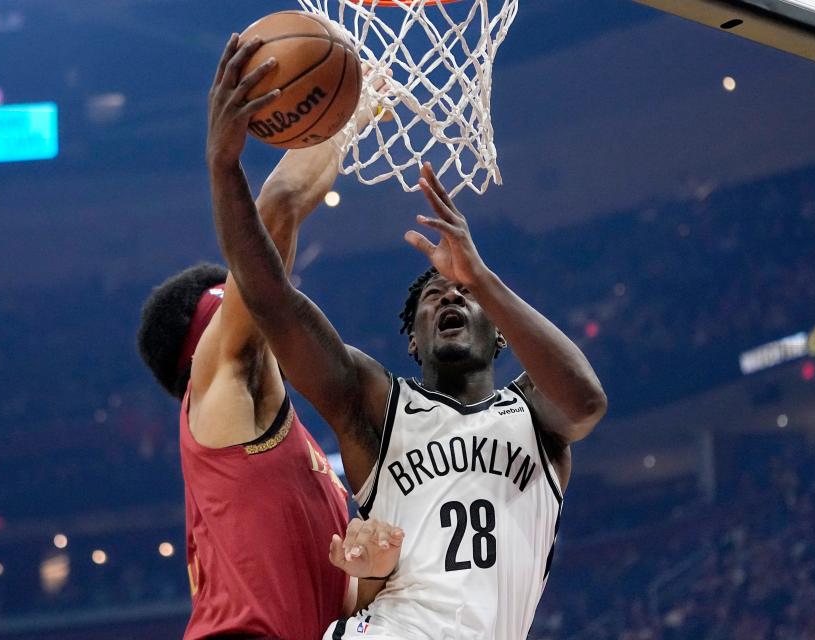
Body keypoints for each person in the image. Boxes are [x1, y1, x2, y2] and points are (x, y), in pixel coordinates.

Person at [206, 33, 608, 640]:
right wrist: (224, 168)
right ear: (414, 343)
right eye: (432, 298)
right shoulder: (376, 403)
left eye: (463, 296)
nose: (449, 295)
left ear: (501, 335)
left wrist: (481, 277)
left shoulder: (537, 414)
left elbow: (587, 401)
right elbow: (271, 302)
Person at [137, 34, 402, 640]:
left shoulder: (272, 447)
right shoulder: (220, 386)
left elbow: (318, 605)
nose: (265, 294)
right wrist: (346, 115)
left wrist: (373, 576)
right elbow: (277, 209)